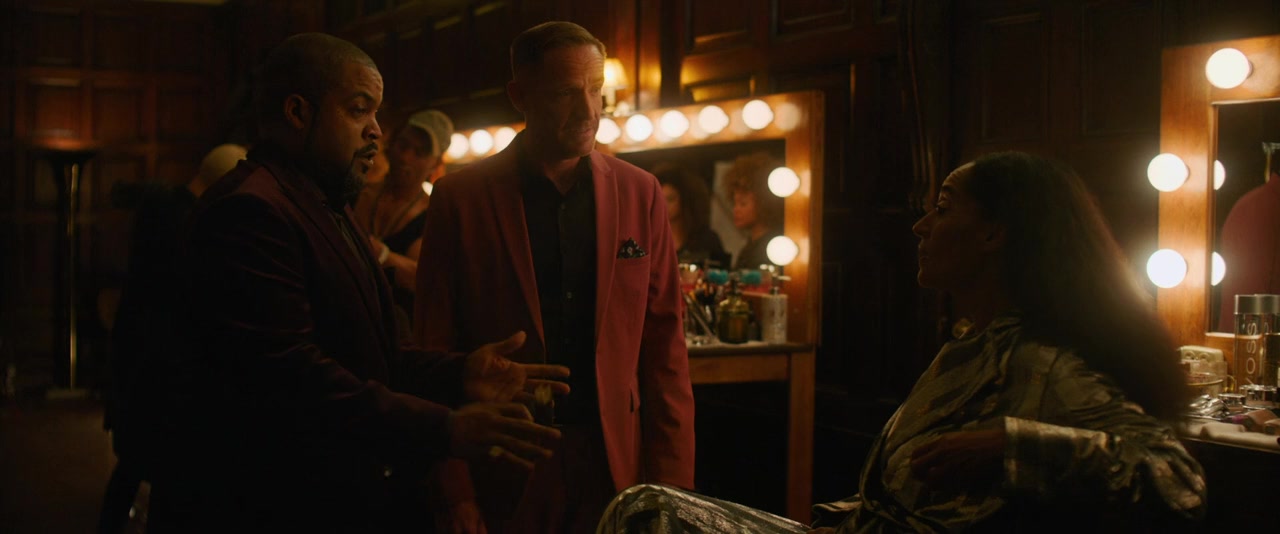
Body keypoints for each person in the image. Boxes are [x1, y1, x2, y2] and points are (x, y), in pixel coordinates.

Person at [598, 152, 1207, 533]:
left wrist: (1012, 442)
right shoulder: (972, 343)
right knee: (648, 508)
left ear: (993, 234)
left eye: (942, 209)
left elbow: (1175, 478)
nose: (920, 226)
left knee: (647, 512)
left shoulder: (1042, 363)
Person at [164, 33, 566, 533]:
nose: (377, 131)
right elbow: (292, 379)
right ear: (298, 112)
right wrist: (446, 427)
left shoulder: (325, 203)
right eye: (359, 111)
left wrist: (460, 373)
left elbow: (375, 350)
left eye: (376, 114)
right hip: (270, 504)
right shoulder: (251, 210)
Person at [416, 21, 696, 533]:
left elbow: (665, 353)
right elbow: (432, 349)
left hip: (613, 460)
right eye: (565, 93)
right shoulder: (460, 198)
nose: (589, 111)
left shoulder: (641, 192)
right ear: (519, 96)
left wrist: (672, 490)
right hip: (501, 460)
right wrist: (452, 491)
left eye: (596, 90)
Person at [98, 143, 246, 534]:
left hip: (141, 352)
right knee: (162, 467)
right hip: (160, 362)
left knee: (136, 464)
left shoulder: (164, 208)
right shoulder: (186, 222)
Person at [354, 109, 454, 326]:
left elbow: (431, 281)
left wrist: (382, 255)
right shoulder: (358, 194)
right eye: (403, 145)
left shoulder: (434, 215)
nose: (406, 157)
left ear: (435, 164)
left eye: (420, 152)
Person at [654, 163, 729, 268]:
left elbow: (722, 273)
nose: (664, 205)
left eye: (670, 199)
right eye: (659, 199)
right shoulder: (649, 240)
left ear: (686, 201)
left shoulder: (707, 240)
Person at [723, 151, 784, 270]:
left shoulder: (775, 248)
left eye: (743, 203)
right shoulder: (748, 247)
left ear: (763, 203)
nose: (736, 210)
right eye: (734, 203)